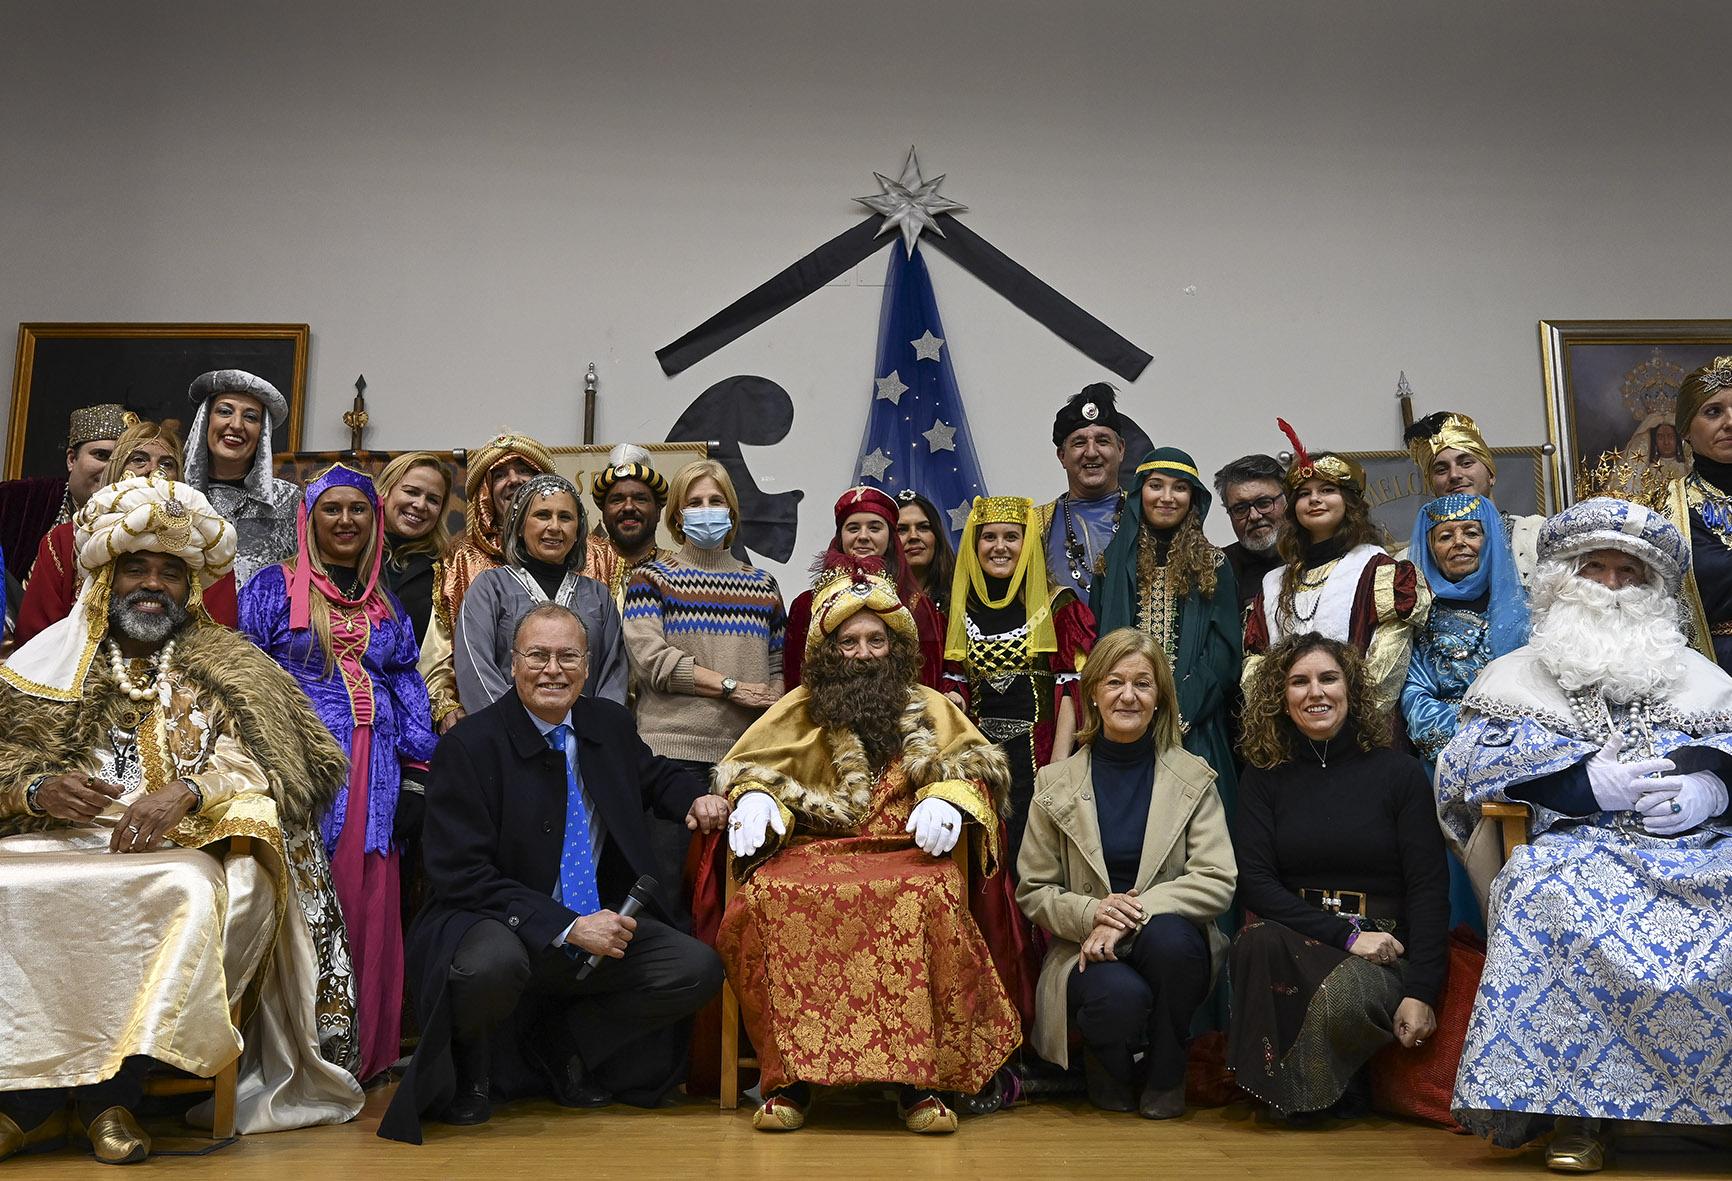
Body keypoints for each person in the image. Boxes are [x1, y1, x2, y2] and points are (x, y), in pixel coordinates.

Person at [0, 476, 363, 1163]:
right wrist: (36, 788)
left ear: (190, 587)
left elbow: (281, 763)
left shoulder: (232, 664)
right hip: (54, 840)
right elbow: (6, 759)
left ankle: (114, 1096)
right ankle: (26, 1096)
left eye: (171, 571)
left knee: (185, 894)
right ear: (108, 576)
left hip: (178, 846)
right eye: (137, 566)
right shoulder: (42, 662)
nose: (153, 583)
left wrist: (190, 792)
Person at [1439, 498, 1732, 1171]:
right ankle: (1577, 1113)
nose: (1608, 583)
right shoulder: (1519, 674)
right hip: (1582, 844)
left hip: (1706, 848)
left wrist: (1710, 788)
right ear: (1563, 581)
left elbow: (1725, 744)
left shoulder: (1701, 675)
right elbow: (1462, 768)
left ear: (1651, 588)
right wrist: (1580, 783)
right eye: (1593, 567)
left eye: (1625, 571)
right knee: (1539, 890)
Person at [379, 603, 727, 1143]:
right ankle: (474, 1071)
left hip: (597, 919)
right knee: (487, 964)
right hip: (493, 922)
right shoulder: (469, 746)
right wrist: (565, 926)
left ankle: (566, 1044)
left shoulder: (606, 723)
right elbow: (460, 874)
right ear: (512, 663)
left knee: (694, 967)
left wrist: (700, 799)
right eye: (537, 655)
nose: (552, 670)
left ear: (587, 667)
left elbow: (656, 779)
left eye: (568, 656)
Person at [716, 569, 1020, 1133]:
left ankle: (918, 1085)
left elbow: (976, 767)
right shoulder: (797, 709)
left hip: (909, 851)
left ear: (897, 646)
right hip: (814, 846)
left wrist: (949, 799)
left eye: (876, 641)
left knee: (930, 896)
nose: (863, 654)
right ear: (827, 651)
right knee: (762, 900)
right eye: (849, 642)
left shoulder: (932, 706)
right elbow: (754, 769)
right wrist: (758, 798)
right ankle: (792, 1082)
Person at [239, 463, 438, 1083]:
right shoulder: (274, 587)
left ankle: (365, 1054)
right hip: (300, 763)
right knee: (304, 897)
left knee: (369, 898)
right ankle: (302, 1058)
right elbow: (240, 671)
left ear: (372, 521)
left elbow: (405, 681)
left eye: (358, 510)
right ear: (310, 520)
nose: (346, 521)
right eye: (332, 510)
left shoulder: (382, 603)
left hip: (375, 769)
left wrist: (417, 770)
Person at [1016, 627, 1237, 1119]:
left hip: (1165, 941)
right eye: (1115, 682)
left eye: (1143, 683)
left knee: (1173, 942)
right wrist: (1093, 912)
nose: (1128, 695)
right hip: (1083, 947)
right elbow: (1034, 889)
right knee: (1119, 999)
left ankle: (1165, 1072)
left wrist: (1126, 913)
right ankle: (1109, 1066)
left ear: (1160, 698)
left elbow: (1216, 878)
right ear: (1092, 692)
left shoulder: (1193, 777)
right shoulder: (1054, 784)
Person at [1228, 633, 1449, 1120]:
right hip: (1301, 940)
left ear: (1351, 689)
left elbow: (1429, 891)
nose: (1316, 693)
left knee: (1341, 999)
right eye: (1299, 682)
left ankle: (1309, 1094)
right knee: (1252, 944)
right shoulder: (1264, 777)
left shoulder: (1401, 774)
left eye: (1328, 678)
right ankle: (1296, 1094)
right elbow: (1257, 885)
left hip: (1384, 950)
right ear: (1281, 700)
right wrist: (1345, 937)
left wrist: (1421, 992)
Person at [1401, 492, 1530, 934]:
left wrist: (1506, 741)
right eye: (1445, 535)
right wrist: (1470, 739)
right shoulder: (1417, 614)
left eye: (1472, 532)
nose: (1460, 543)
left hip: (1518, 764)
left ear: (1490, 538)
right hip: (1441, 767)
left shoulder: (1525, 607)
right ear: (1428, 546)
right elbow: (1414, 696)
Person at [943, 495, 1095, 866]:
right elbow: (957, 682)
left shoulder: (1059, 604)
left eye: (1011, 537)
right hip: (981, 761)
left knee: (1038, 861)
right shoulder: (963, 608)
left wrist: (1058, 765)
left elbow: (1071, 689)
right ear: (974, 545)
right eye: (988, 537)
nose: (999, 547)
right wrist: (955, 698)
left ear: (1028, 545)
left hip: (1041, 756)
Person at [1094, 447, 1242, 820]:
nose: (1166, 497)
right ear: (1139, 492)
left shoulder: (1214, 564)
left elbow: (1223, 655)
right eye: (1155, 485)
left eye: (1179, 488)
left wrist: (1178, 714)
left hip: (1195, 727)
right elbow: (1097, 647)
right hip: (1122, 721)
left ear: (1193, 498)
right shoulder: (1110, 565)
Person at [1243, 420, 1429, 716]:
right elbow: (1256, 666)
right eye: (1304, 493)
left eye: (1327, 489)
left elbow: (1387, 667)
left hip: (1360, 731)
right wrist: (1284, 718)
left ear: (1348, 502)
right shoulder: (1274, 583)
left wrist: (1338, 718)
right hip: (1288, 730)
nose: (1314, 499)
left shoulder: (1380, 571)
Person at [621, 459, 785, 778]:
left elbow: (778, 662)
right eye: (694, 503)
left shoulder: (764, 585)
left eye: (716, 501)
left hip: (749, 755)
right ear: (678, 518)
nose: (706, 509)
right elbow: (650, 661)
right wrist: (730, 687)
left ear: (731, 512)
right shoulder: (651, 579)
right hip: (670, 755)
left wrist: (772, 706)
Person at [15, 418, 241, 645]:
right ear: (117, 469)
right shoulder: (65, 539)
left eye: (166, 464)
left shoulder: (206, 541)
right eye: (139, 460)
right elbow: (37, 635)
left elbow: (216, 637)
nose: (153, 470)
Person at [456, 473, 627, 708]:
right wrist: (514, 730)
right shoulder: (489, 588)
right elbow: (475, 670)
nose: (554, 527)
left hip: (585, 738)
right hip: (507, 737)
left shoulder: (598, 596)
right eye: (542, 515)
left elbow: (614, 674)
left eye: (565, 517)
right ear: (519, 527)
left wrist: (594, 730)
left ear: (578, 531)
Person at [784, 486, 944, 689]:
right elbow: (796, 683)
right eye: (853, 528)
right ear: (840, 537)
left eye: (875, 528)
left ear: (890, 537)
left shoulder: (917, 605)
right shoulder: (807, 604)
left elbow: (926, 684)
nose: (863, 536)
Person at [437, 431, 557, 656]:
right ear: (487, 495)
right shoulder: (459, 561)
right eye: (500, 475)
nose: (514, 480)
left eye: (524, 470)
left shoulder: (595, 556)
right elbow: (441, 658)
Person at [181, 370, 300, 588]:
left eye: (250, 417)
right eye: (225, 411)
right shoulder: (173, 494)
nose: (236, 425)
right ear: (205, 420)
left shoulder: (288, 500)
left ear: (263, 432)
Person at [377, 450, 462, 731]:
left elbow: (439, 656)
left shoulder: (443, 573)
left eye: (433, 500)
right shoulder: (349, 556)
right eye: (411, 492)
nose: (420, 505)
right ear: (386, 490)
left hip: (410, 718)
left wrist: (444, 709)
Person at [1403, 410, 1542, 583]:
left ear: (1491, 473)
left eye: (1466, 463)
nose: (1454, 475)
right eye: (1441, 469)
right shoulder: (1411, 561)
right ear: (1432, 486)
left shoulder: (1534, 537)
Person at [0, 402, 128, 584]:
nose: (112, 469)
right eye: (101, 455)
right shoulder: (17, 499)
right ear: (71, 460)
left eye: (123, 461)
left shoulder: (140, 516)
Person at [1660, 355, 1732, 672]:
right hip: (1708, 674)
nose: (1730, 422)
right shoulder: (1664, 509)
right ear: (1686, 429)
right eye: (1713, 412)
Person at [1040, 383, 1128, 598]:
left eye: (1102, 441)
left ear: (1121, 449)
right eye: (1079, 443)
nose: (1091, 452)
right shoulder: (1035, 526)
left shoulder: (1145, 515)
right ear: (1062, 456)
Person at [583, 443, 673, 612]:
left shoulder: (678, 570)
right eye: (617, 500)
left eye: (640, 499)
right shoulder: (583, 565)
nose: (628, 507)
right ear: (603, 511)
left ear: (658, 511)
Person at [1213, 454, 1288, 613]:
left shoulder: (1315, 557)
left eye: (1264, 503)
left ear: (1288, 499)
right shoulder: (1217, 570)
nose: (1254, 516)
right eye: (1241, 509)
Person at [897, 488, 956, 615]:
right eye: (901, 529)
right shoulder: (876, 595)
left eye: (924, 527)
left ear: (937, 535)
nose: (913, 536)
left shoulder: (963, 594)